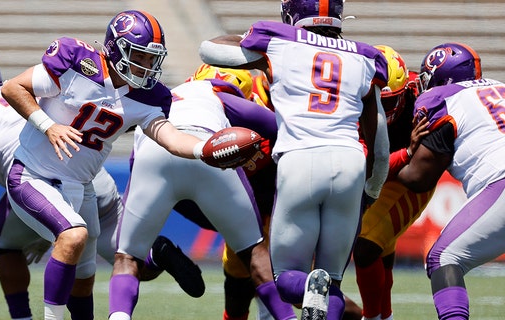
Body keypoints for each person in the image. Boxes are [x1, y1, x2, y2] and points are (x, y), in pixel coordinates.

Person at [0, 53, 204, 319]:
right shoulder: (29, 85)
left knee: (5, 243)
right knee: (126, 258)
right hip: (87, 172)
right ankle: (155, 253)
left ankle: (22, 316)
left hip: (39, 176)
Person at [0, 10, 210, 320]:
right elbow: (12, 88)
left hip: (81, 185)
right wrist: (48, 126)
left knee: (86, 276)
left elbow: (171, 139)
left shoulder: (150, 97)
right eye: (141, 56)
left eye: (153, 58)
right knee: (73, 236)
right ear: (116, 50)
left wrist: (206, 149)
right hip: (33, 174)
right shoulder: (76, 62)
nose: (148, 66)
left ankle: (156, 255)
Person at [198, 0, 391, 319]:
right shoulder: (367, 56)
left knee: (286, 281)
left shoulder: (280, 41)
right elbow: (379, 144)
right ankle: (321, 290)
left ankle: (307, 287)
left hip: (299, 159)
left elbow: (210, 51)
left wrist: (250, 38)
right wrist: (371, 191)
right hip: (349, 162)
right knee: (333, 286)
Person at [110, 62, 295, 320]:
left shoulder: (162, 95)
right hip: (206, 150)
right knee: (255, 252)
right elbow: (280, 129)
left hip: (152, 158)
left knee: (126, 259)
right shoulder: (219, 96)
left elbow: (135, 160)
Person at [396, 42, 505, 320]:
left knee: (444, 258)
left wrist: (394, 158)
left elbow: (418, 178)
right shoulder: (498, 88)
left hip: (500, 179)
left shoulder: (446, 100)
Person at [352, 45, 434, 320]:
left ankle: (373, 316)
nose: (378, 109)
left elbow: (418, 168)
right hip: (381, 173)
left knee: (366, 245)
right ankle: (382, 315)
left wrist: (410, 155)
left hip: (411, 180)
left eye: (386, 102)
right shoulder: (348, 99)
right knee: (378, 251)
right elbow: (366, 166)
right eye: (370, 99)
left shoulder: (424, 99)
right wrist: (407, 152)